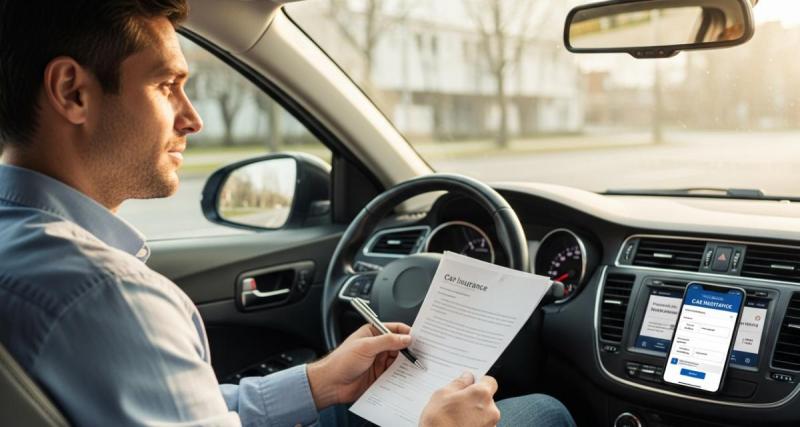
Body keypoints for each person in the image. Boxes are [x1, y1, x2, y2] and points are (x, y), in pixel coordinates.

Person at [0, 1, 575, 426]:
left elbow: (177, 409)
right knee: (544, 412)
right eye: (166, 84)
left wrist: (318, 382)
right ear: (73, 92)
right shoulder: (105, 294)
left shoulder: (27, 249)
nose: (192, 118)